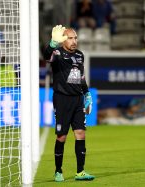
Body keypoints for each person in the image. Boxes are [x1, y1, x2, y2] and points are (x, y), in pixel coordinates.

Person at [43, 25, 95, 182]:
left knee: (80, 134)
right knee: (62, 137)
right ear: (63, 40)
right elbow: (46, 56)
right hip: (62, 99)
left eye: (75, 38)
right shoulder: (57, 54)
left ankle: (80, 172)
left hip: (78, 99)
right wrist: (53, 43)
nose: (74, 41)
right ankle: (58, 171)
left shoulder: (80, 55)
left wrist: (87, 94)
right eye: (70, 38)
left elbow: (81, 76)